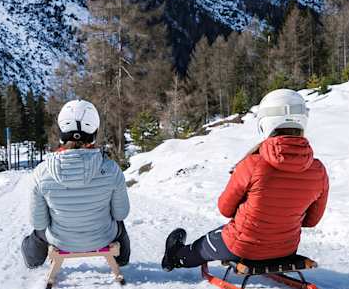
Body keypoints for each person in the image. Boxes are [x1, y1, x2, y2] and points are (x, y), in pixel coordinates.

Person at [161, 89, 328, 270]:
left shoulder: (252, 164)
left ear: (265, 123)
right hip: (286, 248)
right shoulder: (318, 170)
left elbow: (225, 209)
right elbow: (311, 221)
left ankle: (174, 257)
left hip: (243, 246)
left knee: (204, 245)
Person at [22, 99, 131, 268]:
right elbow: (120, 213)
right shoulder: (110, 169)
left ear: (61, 132)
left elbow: (39, 223)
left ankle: (32, 261)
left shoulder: (42, 172)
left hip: (60, 240)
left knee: (38, 232)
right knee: (120, 225)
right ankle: (122, 259)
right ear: (94, 133)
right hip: (103, 237)